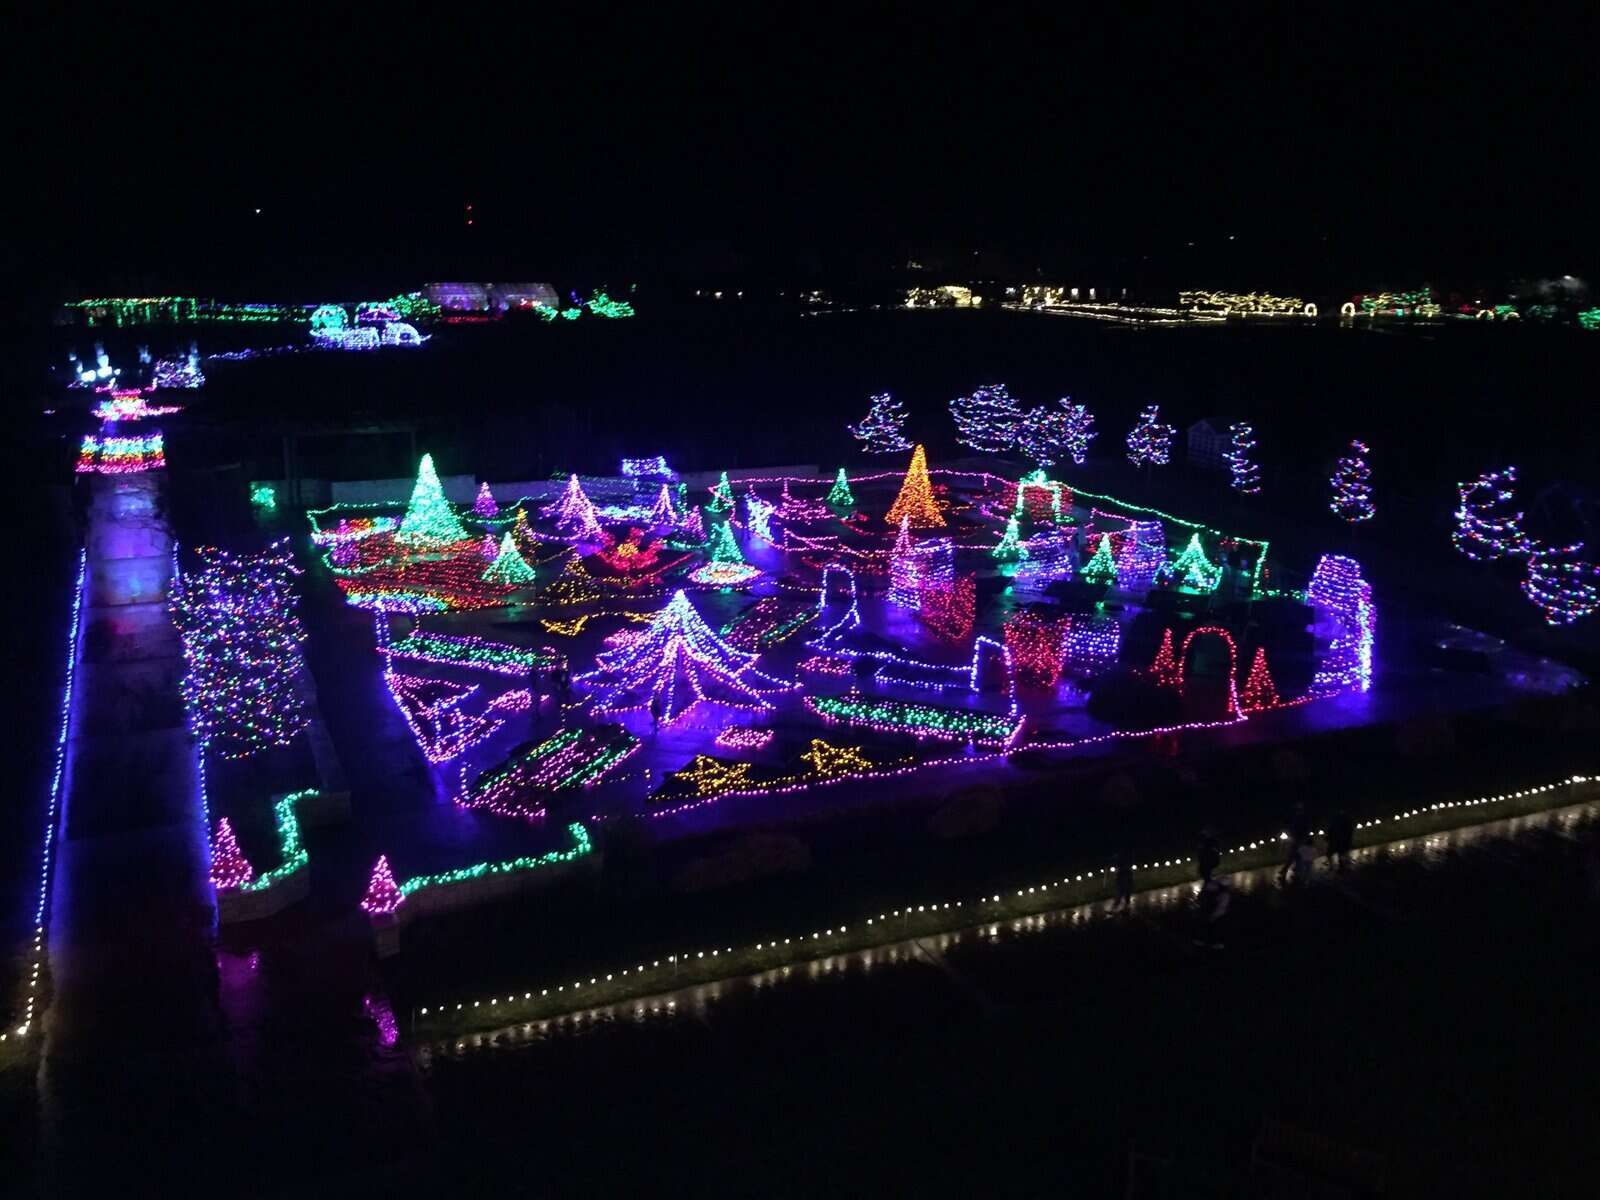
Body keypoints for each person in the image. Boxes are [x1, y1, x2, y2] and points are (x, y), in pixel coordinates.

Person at [1112, 845, 1134, 912]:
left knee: (1125, 894)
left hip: (1125, 880)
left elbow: (1129, 875)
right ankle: (1115, 908)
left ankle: (1124, 907)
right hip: (1122, 881)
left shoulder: (1125, 865)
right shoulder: (1120, 865)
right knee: (1120, 894)